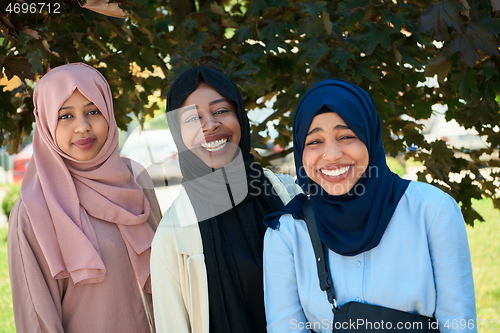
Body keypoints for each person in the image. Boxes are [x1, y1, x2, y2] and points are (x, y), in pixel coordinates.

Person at [263, 79, 477, 333]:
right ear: (300, 151)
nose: (331, 154)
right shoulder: (288, 233)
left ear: (370, 137)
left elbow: (458, 324)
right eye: (314, 142)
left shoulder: (432, 210)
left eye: (346, 136)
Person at [8, 63, 162, 333]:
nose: (82, 126)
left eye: (93, 111)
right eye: (65, 116)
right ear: (45, 125)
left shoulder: (135, 178)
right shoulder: (34, 210)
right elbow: (38, 317)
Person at [150, 66, 301, 333]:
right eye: (192, 119)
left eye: (220, 111)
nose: (210, 125)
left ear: (240, 117)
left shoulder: (288, 194)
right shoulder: (173, 236)